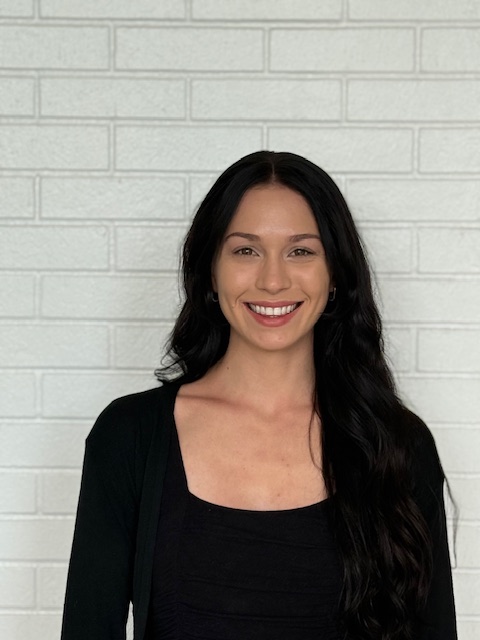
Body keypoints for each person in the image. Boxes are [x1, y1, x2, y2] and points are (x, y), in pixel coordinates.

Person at [61, 151, 457, 640]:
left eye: (301, 251)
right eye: (246, 250)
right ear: (211, 270)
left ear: (335, 273)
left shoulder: (396, 443)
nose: (273, 281)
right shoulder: (130, 437)